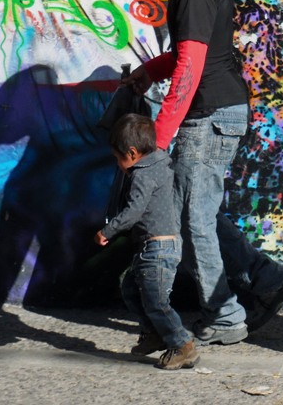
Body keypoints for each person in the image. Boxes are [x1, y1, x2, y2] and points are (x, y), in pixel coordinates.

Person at [122, 0, 283, 346]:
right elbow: (193, 51)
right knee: (199, 213)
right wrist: (150, 70)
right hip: (217, 110)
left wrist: (161, 137)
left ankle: (224, 315)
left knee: (189, 220)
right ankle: (265, 276)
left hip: (208, 115)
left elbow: (191, 66)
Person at [94, 113, 198, 371]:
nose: (118, 164)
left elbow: (133, 211)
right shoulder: (161, 162)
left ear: (132, 152)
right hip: (154, 248)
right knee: (131, 289)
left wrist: (108, 230)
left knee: (157, 302)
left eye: (118, 158)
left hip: (158, 249)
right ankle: (154, 333)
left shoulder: (142, 175)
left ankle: (182, 345)